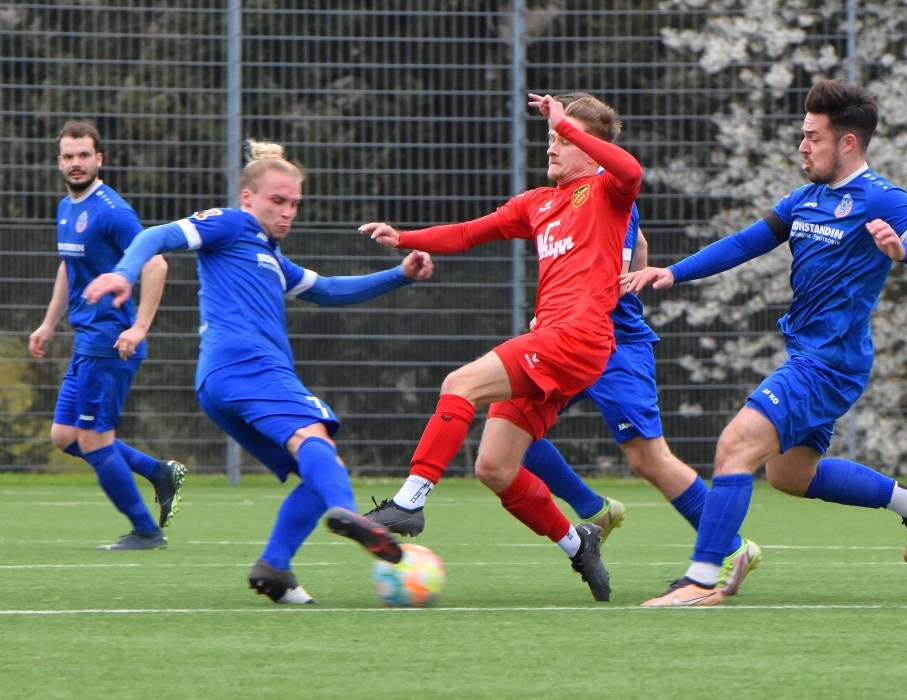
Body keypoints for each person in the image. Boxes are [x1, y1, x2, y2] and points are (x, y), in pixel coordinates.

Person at [622, 78, 907, 607]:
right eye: (803, 135)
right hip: (809, 355)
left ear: (848, 142)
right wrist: (673, 272)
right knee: (790, 474)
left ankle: (703, 581)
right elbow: (746, 243)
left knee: (735, 446)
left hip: (830, 363)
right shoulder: (805, 199)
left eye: (813, 137)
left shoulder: (880, 198)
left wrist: (904, 252)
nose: (802, 146)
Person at [84, 139, 433, 604]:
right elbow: (156, 237)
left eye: (294, 204)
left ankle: (275, 568)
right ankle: (347, 514)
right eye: (277, 200)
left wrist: (399, 275)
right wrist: (125, 273)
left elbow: (328, 290)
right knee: (315, 441)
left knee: (320, 467)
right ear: (248, 197)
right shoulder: (232, 224)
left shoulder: (271, 256)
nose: (287, 212)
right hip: (247, 364)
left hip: (220, 382)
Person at [358, 92, 642, 601]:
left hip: (577, 338)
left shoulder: (607, 191)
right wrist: (403, 238)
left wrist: (567, 124)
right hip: (555, 342)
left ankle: (409, 501)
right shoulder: (537, 203)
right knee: (494, 466)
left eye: (562, 139)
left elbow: (631, 170)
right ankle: (578, 543)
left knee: (460, 383)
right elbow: (469, 233)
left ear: (590, 147)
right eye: (550, 138)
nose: (551, 147)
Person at [521, 206, 761, 597]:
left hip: (615, 348)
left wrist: (554, 314)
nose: (550, 158)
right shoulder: (567, 196)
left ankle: (731, 548)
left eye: (558, 142)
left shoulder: (609, 194)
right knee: (511, 431)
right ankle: (595, 510)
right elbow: (641, 244)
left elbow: (612, 282)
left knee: (648, 457)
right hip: (567, 341)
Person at [29, 119, 187, 551]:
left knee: (94, 441)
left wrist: (139, 327)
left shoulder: (112, 211)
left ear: (99, 159)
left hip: (112, 340)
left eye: (84, 155)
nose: (76, 163)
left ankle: (146, 532)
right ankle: (158, 472)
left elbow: (156, 264)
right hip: (86, 340)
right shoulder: (67, 207)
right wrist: (48, 323)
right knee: (64, 437)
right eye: (68, 156)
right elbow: (69, 267)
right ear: (59, 161)